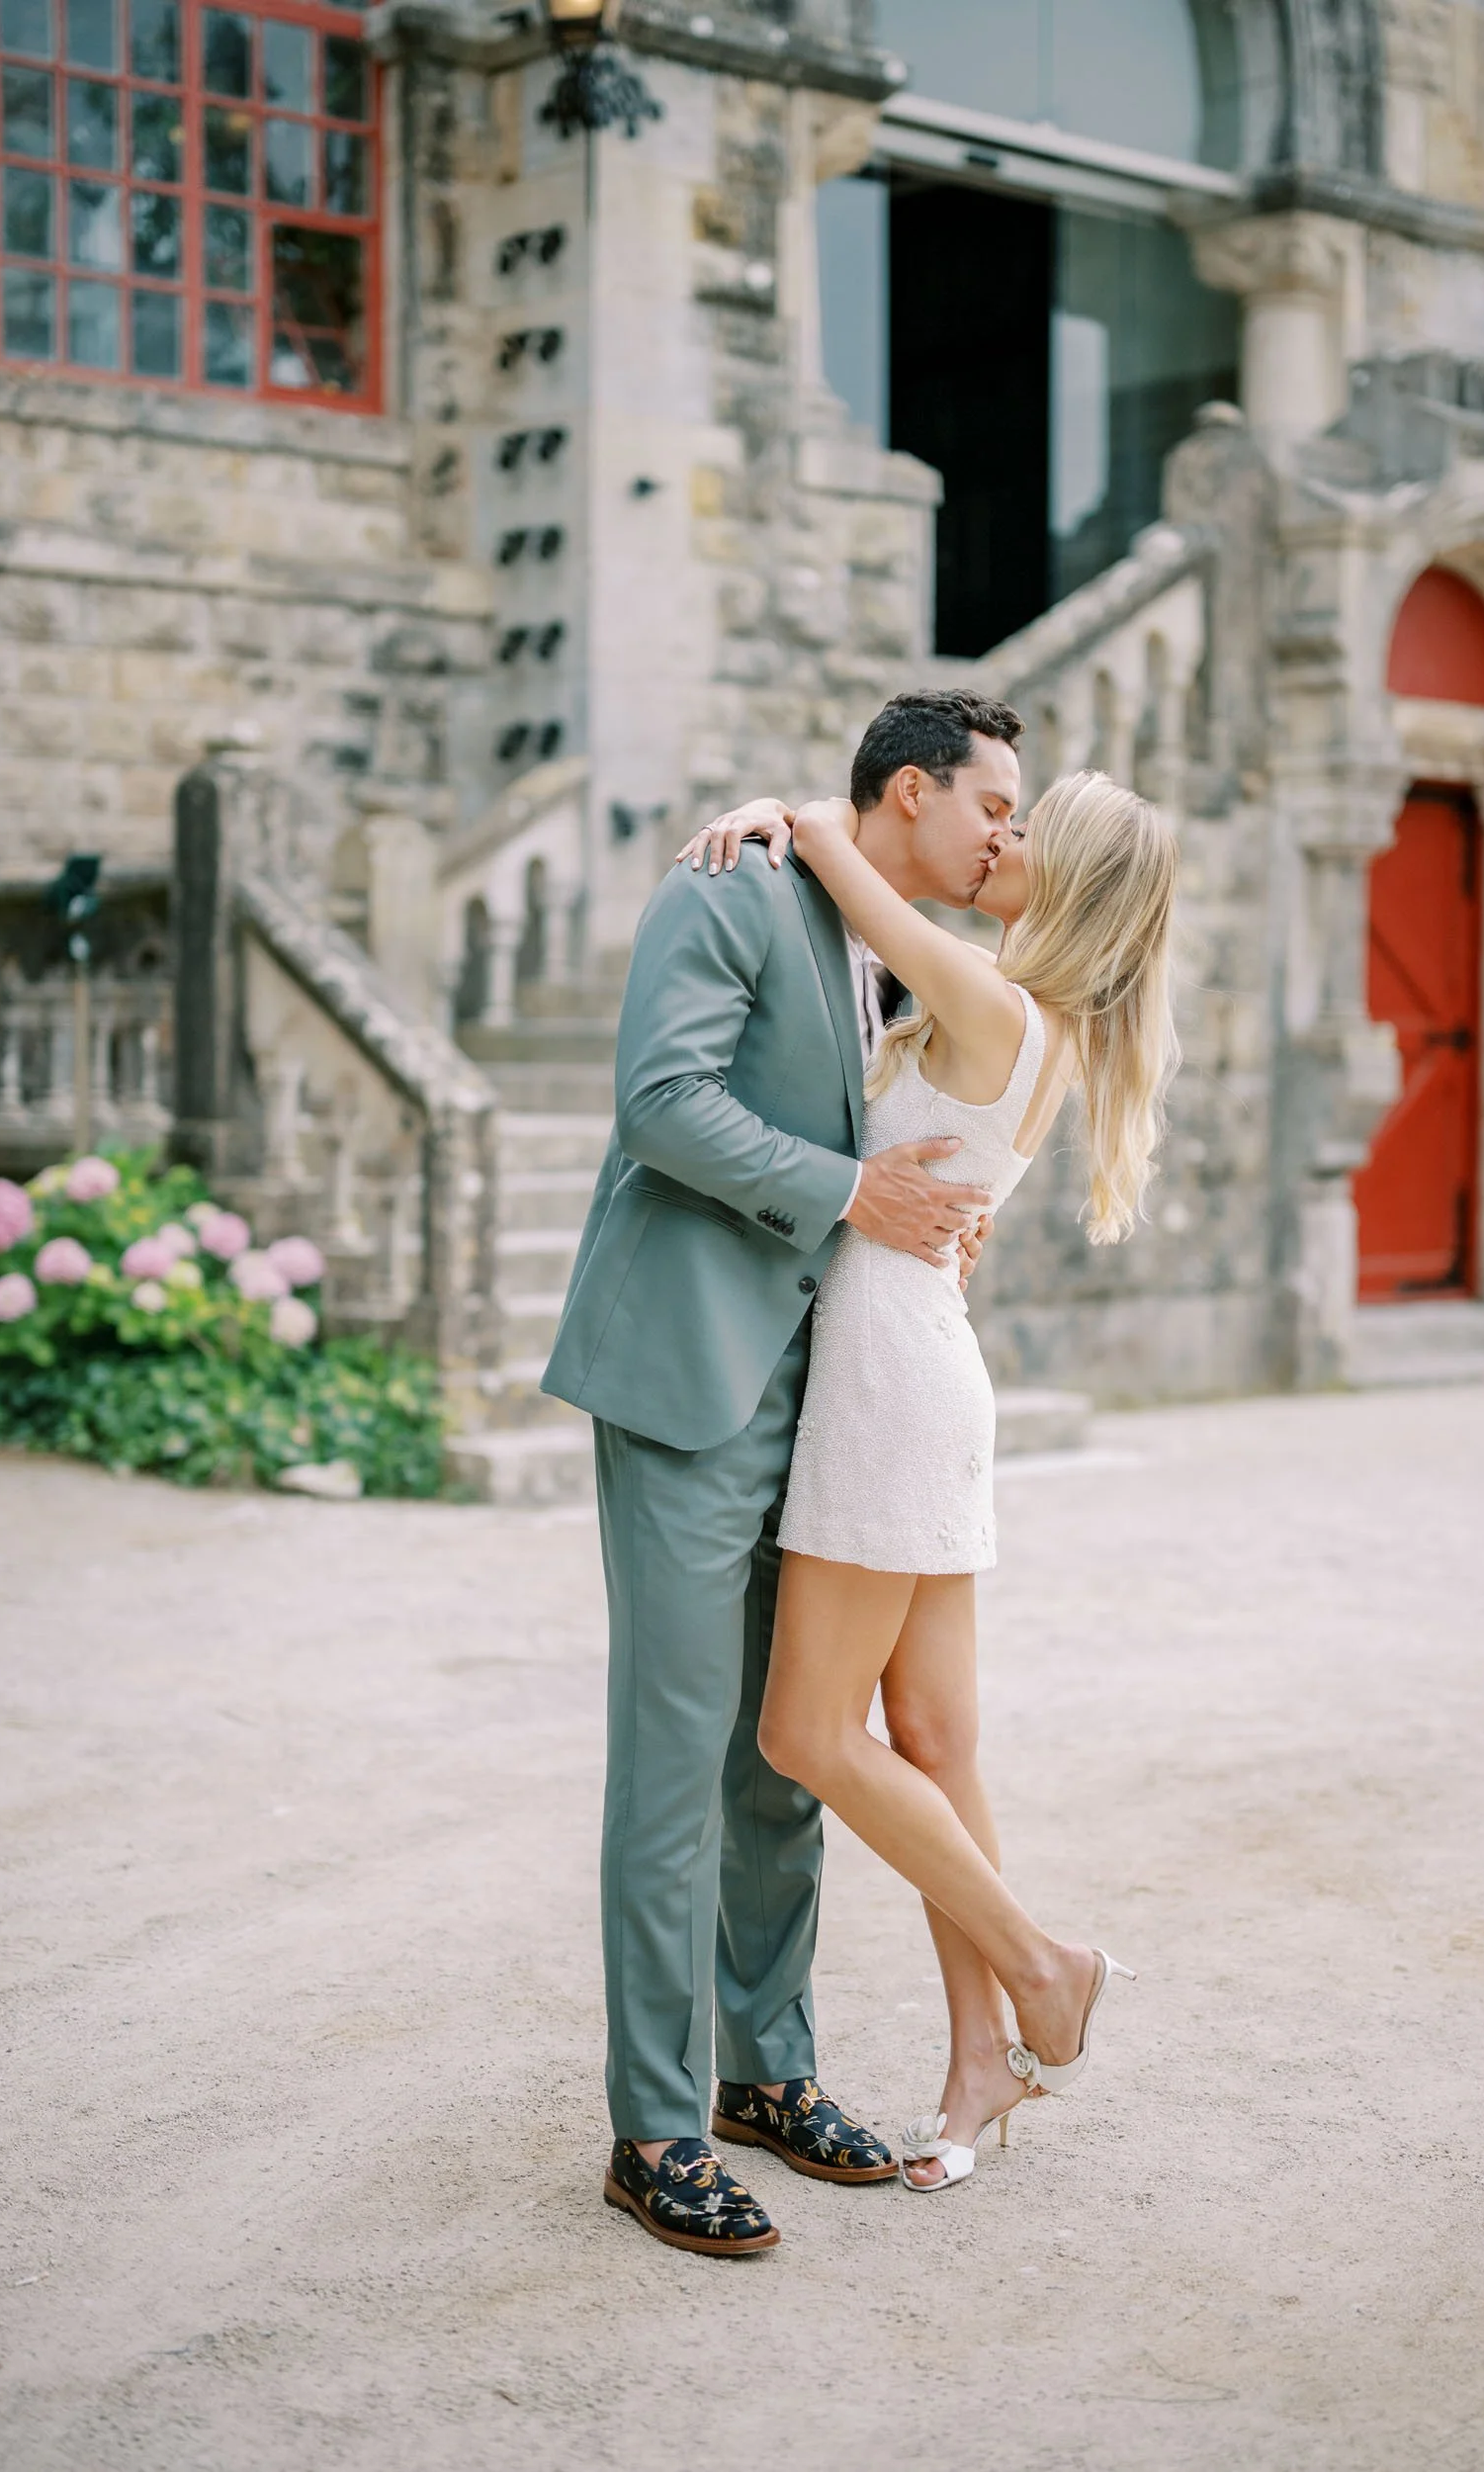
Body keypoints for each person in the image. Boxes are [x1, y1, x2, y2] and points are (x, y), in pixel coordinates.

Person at [541, 690, 1025, 2254]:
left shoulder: (890, 925)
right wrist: (848, 1195)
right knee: (677, 1761)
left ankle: (771, 2072)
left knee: (781, 1761)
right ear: (905, 791)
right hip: (690, 1381)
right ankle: (655, 2127)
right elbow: (659, 1103)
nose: (1001, 836)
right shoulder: (728, 881)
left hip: (833, 1402)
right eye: (988, 806)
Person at [679, 767, 1178, 2191]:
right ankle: (977, 2061)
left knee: (804, 1737)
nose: (999, 841)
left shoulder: (989, 1001)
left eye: (1027, 830)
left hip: (888, 1387)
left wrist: (784, 810)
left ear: (1069, 880)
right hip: (924, 1366)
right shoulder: (1043, 1027)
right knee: (938, 1745)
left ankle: (1043, 1963)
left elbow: (846, 859)